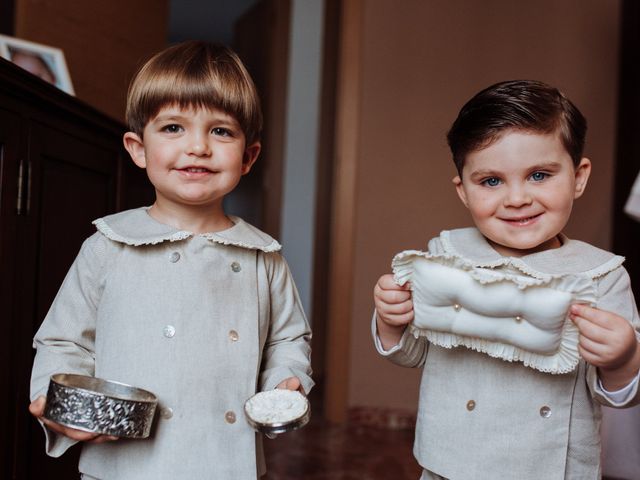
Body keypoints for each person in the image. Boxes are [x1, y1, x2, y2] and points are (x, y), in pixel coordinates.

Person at [28, 40, 313, 479]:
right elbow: (63, 341)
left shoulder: (263, 256)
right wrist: (57, 398)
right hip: (122, 463)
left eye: (220, 131)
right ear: (138, 148)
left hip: (225, 460)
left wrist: (286, 381)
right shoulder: (108, 245)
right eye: (174, 128)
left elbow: (288, 340)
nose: (197, 146)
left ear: (248, 156)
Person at [373, 80, 640, 479]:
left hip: (551, 468)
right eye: (491, 181)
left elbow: (622, 396)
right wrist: (391, 322)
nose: (517, 198)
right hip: (451, 462)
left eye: (539, 175)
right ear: (464, 191)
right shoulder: (445, 256)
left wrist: (624, 359)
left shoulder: (601, 276)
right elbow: (411, 354)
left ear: (578, 176)